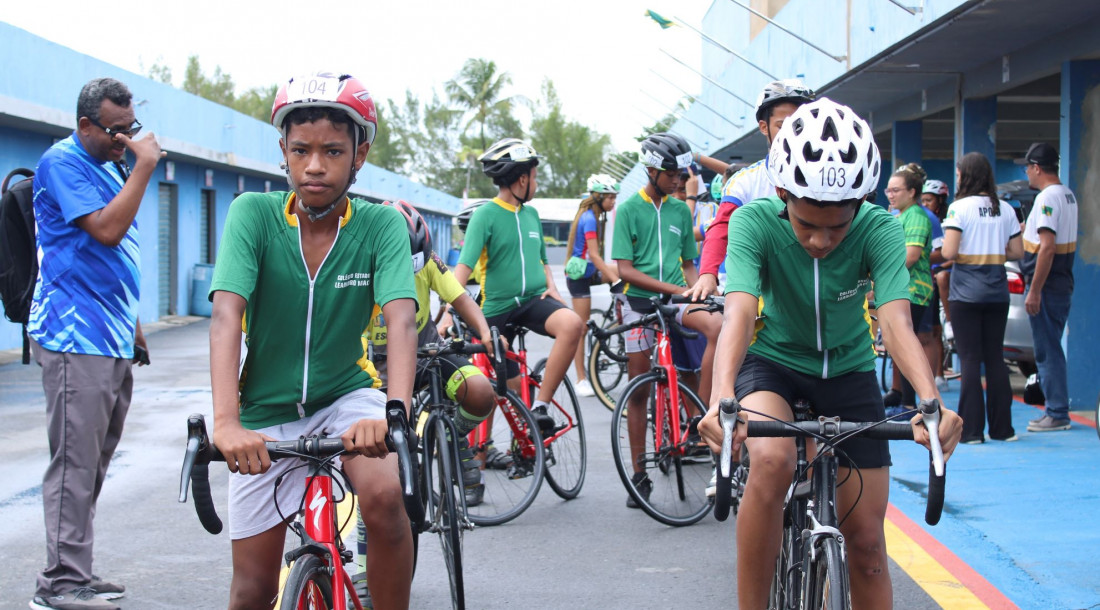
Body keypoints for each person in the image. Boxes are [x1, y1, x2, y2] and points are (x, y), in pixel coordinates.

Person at [696, 98, 962, 610]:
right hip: (773, 363)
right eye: (806, 225)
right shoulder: (755, 223)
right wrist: (721, 397)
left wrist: (930, 401)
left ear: (860, 204)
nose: (821, 240)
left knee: (866, 546)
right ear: (781, 194)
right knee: (771, 460)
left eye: (837, 228)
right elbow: (740, 311)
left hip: (849, 369)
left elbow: (895, 318)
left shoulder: (880, 228)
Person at [207, 71, 418, 610]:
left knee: (385, 498)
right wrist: (228, 424)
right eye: (300, 150)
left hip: (349, 398)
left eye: (332, 151)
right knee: (251, 590)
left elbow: (400, 320)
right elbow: (227, 316)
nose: (315, 165)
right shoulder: (252, 215)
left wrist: (393, 412)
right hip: (264, 409)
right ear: (283, 151)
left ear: (360, 154)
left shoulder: (379, 226)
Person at [28, 77, 164, 610]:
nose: (125, 139)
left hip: (109, 335)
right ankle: (59, 583)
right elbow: (106, 230)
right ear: (85, 124)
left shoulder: (111, 165)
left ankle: (75, 571)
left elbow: (116, 253)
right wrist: (145, 167)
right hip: (72, 335)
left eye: (130, 128)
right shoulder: (61, 163)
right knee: (74, 463)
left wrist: (131, 323)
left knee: (96, 460)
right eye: (115, 131)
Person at [353, 200, 497, 607]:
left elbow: (462, 300)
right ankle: (367, 568)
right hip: (374, 365)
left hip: (426, 349)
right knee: (379, 473)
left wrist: (485, 334)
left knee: (480, 392)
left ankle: (448, 438)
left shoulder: (429, 260)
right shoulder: (360, 262)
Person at [611, 132, 723, 508]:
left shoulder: (679, 211)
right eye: (672, 173)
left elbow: (690, 265)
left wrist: (703, 294)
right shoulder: (627, 209)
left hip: (677, 298)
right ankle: (639, 472)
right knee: (640, 387)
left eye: (681, 174)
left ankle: (699, 417)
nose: (679, 180)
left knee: (716, 328)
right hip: (640, 302)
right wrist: (670, 289)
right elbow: (625, 270)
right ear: (652, 170)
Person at [453, 138, 584, 438]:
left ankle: (541, 405)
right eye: (535, 177)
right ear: (522, 179)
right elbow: (463, 268)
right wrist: (449, 311)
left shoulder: (532, 215)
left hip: (532, 301)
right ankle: (499, 450)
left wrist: (553, 287)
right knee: (502, 392)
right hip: (496, 311)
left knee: (573, 324)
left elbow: (541, 261)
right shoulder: (485, 215)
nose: (536, 184)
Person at [686, 78, 816, 300]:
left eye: (800, 125)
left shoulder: (821, 175)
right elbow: (721, 226)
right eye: (782, 125)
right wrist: (708, 273)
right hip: (761, 298)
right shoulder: (744, 182)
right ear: (764, 127)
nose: (793, 133)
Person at [941, 152, 1024, 444]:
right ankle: (1003, 429)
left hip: (966, 294)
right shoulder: (1005, 210)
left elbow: (949, 252)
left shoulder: (959, 209)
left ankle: (972, 431)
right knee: (995, 359)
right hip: (997, 293)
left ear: (965, 175)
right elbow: (1017, 252)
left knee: (970, 360)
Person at [1017, 143, 1078, 432]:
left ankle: (1056, 411)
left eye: (1028, 167)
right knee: (1051, 347)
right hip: (1061, 282)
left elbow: (1047, 248)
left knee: (1047, 350)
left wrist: (1035, 290)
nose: (1027, 172)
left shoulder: (1047, 199)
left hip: (1048, 285)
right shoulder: (1067, 195)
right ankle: (1056, 408)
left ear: (1037, 168)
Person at [882, 163, 935, 415]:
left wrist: (880, 278)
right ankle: (903, 397)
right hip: (901, 290)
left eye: (896, 190)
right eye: (888, 190)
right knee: (898, 345)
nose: (890, 195)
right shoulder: (902, 216)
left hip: (914, 290)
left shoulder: (916, 217)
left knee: (906, 345)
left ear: (912, 192)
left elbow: (911, 255)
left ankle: (910, 404)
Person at [566, 174, 620, 397]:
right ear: (598, 196)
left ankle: (619, 313)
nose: (613, 202)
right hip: (580, 276)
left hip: (589, 271)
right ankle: (580, 379)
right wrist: (614, 279)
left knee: (625, 271)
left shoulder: (594, 216)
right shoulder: (589, 219)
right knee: (580, 329)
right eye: (610, 197)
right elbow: (596, 257)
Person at [922, 179, 951, 386]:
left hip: (945, 270)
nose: (925, 204)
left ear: (939, 201)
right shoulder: (924, 219)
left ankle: (951, 321)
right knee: (931, 329)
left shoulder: (949, 221)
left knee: (942, 277)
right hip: (928, 275)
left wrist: (920, 257)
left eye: (929, 200)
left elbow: (949, 254)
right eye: (922, 200)